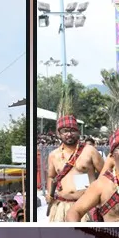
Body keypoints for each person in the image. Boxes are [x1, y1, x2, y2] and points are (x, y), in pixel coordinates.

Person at [45, 91, 100, 222]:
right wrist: (49, 193)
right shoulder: (53, 155)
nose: (69, 134)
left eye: (72, 130)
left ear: (78, 132)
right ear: (59, 134)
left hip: (85, 207)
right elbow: (51, 176)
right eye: (65, 131)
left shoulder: (90, 151)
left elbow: (105, 174)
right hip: (61, 206)